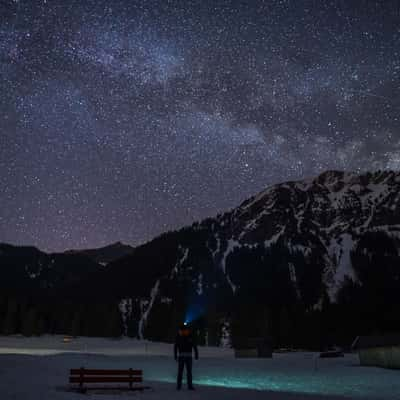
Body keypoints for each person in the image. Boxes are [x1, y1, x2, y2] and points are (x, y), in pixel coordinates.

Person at [174, 323, 199, 390]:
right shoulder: (184, 336)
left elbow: (176, 347)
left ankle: (181, 386)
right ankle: (185, 386)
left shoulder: (181, 336)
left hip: (185, 356)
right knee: (186, 372)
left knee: (183, 372)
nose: (183, 331)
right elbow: (176, 346)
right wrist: (196, 355)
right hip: (185, 356)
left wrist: (175, 356)